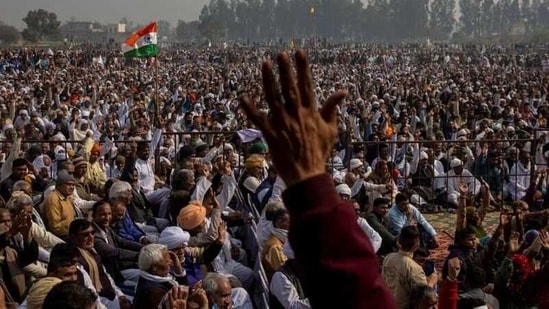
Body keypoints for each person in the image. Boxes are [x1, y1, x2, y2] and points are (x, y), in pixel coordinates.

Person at [239, 50, 395, 308]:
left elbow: (353, 283)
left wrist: (310, 182)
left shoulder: (313, 275)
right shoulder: (284, 272)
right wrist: (312, 184)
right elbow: (362, 291)